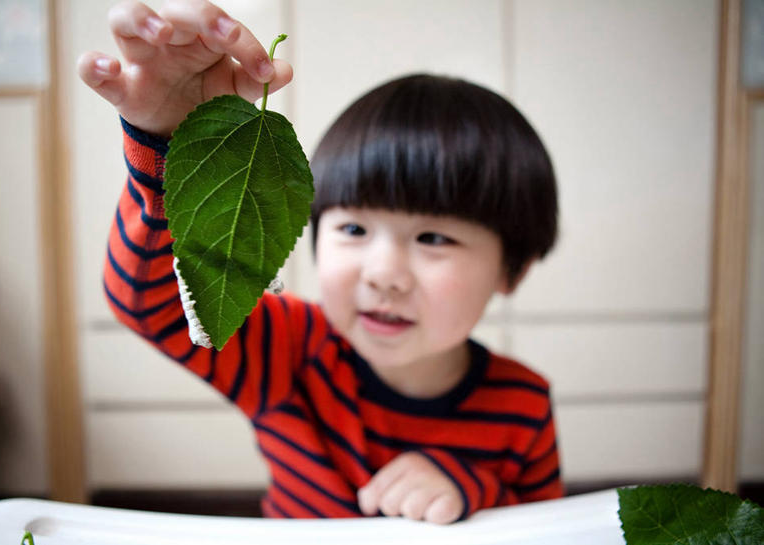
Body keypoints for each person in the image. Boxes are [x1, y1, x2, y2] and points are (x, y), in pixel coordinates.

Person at [78, 0, 563, 525]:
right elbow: (150, 305)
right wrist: (173, 149)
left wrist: (475, 491)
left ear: (512, 269)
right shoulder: (290, 351)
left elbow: (556, 530)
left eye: (433, 237)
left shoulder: (523, 405)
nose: (382, 274)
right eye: (353, 229)